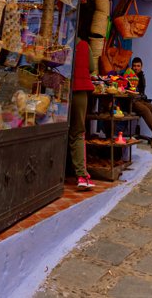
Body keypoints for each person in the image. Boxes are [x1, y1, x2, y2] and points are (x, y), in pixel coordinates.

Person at [69, 32, 95, 189]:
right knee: (78, 132)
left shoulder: (62, 43)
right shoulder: (84, 45)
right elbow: (91, 67)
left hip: (59, 90)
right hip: (79, 91)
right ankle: (81, 175)